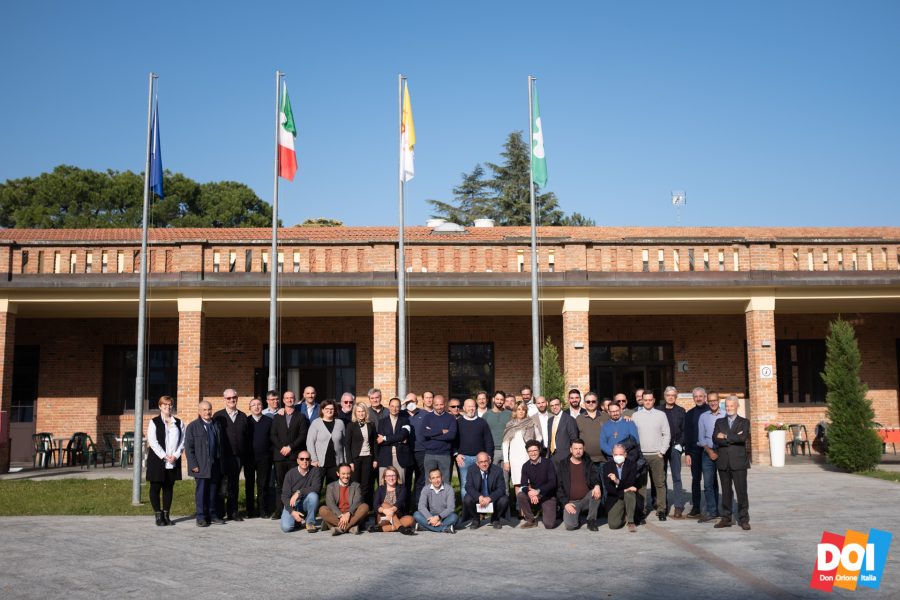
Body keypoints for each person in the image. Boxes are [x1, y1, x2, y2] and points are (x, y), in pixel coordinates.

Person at [712, 396, 751, 530]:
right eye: (726, 406)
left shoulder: (744, 422)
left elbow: (743, 438)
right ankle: (726, 518)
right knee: (726, 492)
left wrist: (726, 436)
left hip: (739, 462)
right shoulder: (719, 422)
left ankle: (744, 519)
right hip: (723, 462)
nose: (728, 408)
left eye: (731, 406)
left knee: (741, 492)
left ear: (737, 406)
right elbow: (715, 439)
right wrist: (734, 436)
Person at [146, 395, 185, 526]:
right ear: (160, 406)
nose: (168, 407)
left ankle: (167, 515)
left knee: (168, 488)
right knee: (155, 487)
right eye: (165, 405)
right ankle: (158, 515)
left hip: (173, 460)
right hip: (157, 460)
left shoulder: (179, 423)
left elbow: (183, 441)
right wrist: (164, 455)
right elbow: (152, 441)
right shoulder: (154, 422)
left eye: (170, 405)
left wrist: (176, 455)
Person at [632, 390, 671, 522]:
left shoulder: (661, 415)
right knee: (641, 485)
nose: (648, 402)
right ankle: (642, 510)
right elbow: (632, 436)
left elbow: (667, 434)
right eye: (645, 400)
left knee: (660, 484)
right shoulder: (636, 416)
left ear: (654, 400)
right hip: (641, 456)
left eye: (650, 400)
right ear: (642, 400)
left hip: (656, 455)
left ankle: (661, 510)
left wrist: (662, 452)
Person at [270, 390, 309, 519]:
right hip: (280, 456)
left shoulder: (301, 416)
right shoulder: (278, 416)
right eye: (287, 398)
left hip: (294, 456)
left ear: (295, 399)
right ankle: (279, 510)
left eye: (292, 398)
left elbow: (303, 435)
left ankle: (295, 510)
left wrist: (290, 447)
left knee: (294, 484)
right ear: (283, 400)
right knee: (280, 484)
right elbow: (273, 435)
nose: (289, 400)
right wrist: (282, 447)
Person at [185, 400, 224, 527]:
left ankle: (212, 514)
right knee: (201, 492)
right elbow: (189, 448)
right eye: (204, 410)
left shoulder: (216, 425)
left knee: (213, 492)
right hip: (201, 466)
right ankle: (201, 517)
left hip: (215, 465)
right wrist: (193, 465)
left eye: (209, 409)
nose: (207, 412)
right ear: (199, 411)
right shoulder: (193, 426)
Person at [213, 388, 248, 521]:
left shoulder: (243, 416)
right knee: (221, 484)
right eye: (229, 398)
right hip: (222, 457)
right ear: (224, 400)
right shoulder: (218, 416)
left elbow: (246, 436)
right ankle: (219, 513)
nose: (232, 400)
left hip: (237, 458)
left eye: (234, 397)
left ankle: (233, 512)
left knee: (234, 484)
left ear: (237, 398)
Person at [556, 439, 601, 531]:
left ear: (583, 449)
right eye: (575, 448)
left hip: (586, 499)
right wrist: (565, 503)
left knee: (596, 491)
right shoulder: (563, 464)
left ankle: (591, 520)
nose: (578, 451)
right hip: (571, 502)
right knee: (570, 526)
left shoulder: (588, 463)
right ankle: (577, 517)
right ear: (571, 449)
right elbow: (559, 487)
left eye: (580, 448)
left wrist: (597, 485)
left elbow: (595, 476)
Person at [454, 398, 494, 500]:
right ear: (463, 408)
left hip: (480, 460)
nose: (471, 408)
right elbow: (453, 440)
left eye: (473, 406)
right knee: (465, 485)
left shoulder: (482, 422)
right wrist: (456, 454)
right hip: (464, 459)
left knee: (481, 485)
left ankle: (481, 512)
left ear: (475, 408)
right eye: (468, 406)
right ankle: (467, 511)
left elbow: (488, 440)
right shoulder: (458, 423)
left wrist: (489, 456)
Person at [502, 401, 542, 496]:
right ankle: (519, 507)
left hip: (527, 457)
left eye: (523, 409)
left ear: (526, 411)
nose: (521, 411)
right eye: (519, 409)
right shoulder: (510, 424)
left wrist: (534, 447)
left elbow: (539, 437)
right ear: (515, 411)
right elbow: (505, 443)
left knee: (528, 482)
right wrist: (506, 461)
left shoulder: (531, 423)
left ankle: (528, 506)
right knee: (517, 483)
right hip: (514, 458)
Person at [697, 392, 726, 523]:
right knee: (709, 484)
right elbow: (701, 438)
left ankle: (725, 511)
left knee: (724, 483)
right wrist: (709, 451)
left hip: (724, 452)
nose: (713, 403)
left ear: (719, 400)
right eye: (710, 401)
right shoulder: (703, 417)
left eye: (715, 400)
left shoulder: (726, 415)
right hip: (708, 453)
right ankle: (712, 511)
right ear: (707, 402)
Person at [461, 452, 509, 529]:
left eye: (485, 461)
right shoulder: (471, 469)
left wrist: (490, 498)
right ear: (477, 463)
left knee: (504, 499)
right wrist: (479, 497)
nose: (484, 464)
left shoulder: (498, 470)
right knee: (467, 499)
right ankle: (476, 519)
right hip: (479, 499)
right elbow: (468, 486)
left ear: (489, 461)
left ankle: (495, 519)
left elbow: (501, 488)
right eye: (481, 462)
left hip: (492, 498)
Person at [319, 463, 369, 535]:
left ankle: (339, 528)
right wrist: (341, 515)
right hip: (336, 515)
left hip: (352, 516)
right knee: (322, 509)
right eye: (343, 474)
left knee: (365, 506)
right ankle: (350, 528)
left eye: (348, 474)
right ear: (338, 474)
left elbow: (357, 501)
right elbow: (330, 503)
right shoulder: (331, 486)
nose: (346, 476)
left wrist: (349, 513)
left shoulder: (356, 485)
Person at [517, 440, 557, 529]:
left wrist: (538, 491)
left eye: (535, 450)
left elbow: (552, 483)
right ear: (527, 452)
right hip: (534, 495)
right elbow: (523, 485)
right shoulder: (525, 466)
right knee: (520, 495)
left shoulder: (548, 463)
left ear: (539, 450)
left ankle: (550, 510)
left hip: (547, 495)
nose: (533, 453)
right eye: (530, 451)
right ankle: (530, 520)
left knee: (549, 525)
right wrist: (530, 492)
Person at [683, 386, 710, 518]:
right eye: (696, 396)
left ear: (705, 397)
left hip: (708, 451)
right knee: (696, 480)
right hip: (694, 451)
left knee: (710, 480)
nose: (698, 398)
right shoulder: (689, 414)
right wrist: (687, 453)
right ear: (693, 398)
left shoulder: (711, 411)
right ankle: (696, 507)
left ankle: (712, 506)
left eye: (701, 396)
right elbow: (687, 435)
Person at [307, 399, 347, 485]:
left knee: (333, 488)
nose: (329, 411)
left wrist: (344, 461)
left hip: (335, 463)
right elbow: (310, 442)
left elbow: (344, 444)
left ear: (335, 410)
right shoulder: (316, 423)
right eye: (327, 409)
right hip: (319, 463)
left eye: (332, 409)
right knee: (316, 487)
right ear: (322, 410)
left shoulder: (340, 423)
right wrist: (313, 459)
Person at [280, 451, 321, 533]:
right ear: (297, 460)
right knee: (286, 528)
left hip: (305, 502)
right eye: (302, 459)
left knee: (313, 496)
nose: (304, 461)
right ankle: (296, 521)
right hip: (292, 504)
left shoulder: (315, 471)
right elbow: (284, 496)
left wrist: (299, 492)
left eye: (307, 459)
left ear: (310, 461)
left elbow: (317, 487)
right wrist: (292, 512)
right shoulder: (290, 474)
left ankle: (310, 523)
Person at [245, 397, 273, 518]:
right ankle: (250, 511)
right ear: (250, 408)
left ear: (262, 407)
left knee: (263, 485)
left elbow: (272, 439)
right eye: (253, 405)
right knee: (249, 484)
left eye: (259, 404)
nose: (256, 407)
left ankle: (263, 510)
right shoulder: (246, 421)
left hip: (264, 458)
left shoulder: (269, 421)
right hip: (249, 458)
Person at [661, 386, 686, 518]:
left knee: (676, 477)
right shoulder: (658, 410)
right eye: (668, 395)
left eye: (673, 395)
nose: (670, 397)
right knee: (662, 478)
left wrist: (680, 445)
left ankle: (678, 506)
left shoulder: (681, 411)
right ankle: (663, 506)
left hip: (675, 447)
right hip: (661, 448)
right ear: (664, 396)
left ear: (676, 397)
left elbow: (684, 431)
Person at [422, 394, 457, 485]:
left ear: (444, 404)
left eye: (441, 404)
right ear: (433, 405)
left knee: (445, 481)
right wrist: (441, 431)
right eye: (436, 405)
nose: (439, 407)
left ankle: (445, 499)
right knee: (429, 481)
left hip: (444, 454)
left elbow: (451, 435)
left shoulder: (451, 418)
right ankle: (430, 499)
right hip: (430, 454)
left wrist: (432, 434)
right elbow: (425, 433)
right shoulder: (427, 417)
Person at [347, 401, 378, 508]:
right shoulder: (351, 426)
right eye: (358, 411)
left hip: (368, 458)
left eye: (363, 411)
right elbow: (347, 445)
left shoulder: (371, 425)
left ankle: (365, 507)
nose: (361, 413)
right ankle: (354, 506)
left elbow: (374, 443)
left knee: (366, 484)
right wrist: (350, 462)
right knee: (355, 484)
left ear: (366, 412)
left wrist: (375, 459)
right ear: (355, 413)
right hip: (356, 458)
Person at [377, 397, 413, 485]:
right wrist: (399, 440)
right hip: (385, 457)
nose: (394, 409)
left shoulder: (405, 421)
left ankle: (399, 499)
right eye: (392, 406)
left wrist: (385, 438)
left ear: (400, 407)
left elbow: (402, 436)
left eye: (397, 406)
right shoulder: (382, 422)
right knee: (383, 484)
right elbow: (380, 441)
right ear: (389, 407)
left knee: (400, 484)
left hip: (400, 457)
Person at [604, 444, 638, 532]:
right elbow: (608, 488)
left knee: (630, 493)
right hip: (615, 497)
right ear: (612, 455)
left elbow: (630, 482)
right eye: (616, 455)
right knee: (613, 525)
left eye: (621, 454)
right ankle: (623, 516)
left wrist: (617, 481)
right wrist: (624, 490)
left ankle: (631, 521)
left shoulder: (632, 465)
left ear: (625, 455)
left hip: (628, 495)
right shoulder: (607, 466)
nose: (618, 457)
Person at [413, 467, 458, 533]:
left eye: (438, 477)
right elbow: (421, 506)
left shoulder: (449, 489)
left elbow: (451, 508)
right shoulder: (426, 489)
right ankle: (444, 529)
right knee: (416, 514)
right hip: (431, 515)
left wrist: (438, 517)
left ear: (441, 477)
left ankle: (425, 527)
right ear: (430, 480)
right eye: (433, 478)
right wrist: (431, 518)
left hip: (444, 516)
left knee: (454, 517)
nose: (436, 480)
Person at [372, 466, 416, 534]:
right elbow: (375, 505)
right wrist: (385, 510)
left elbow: (399, 503)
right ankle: (401, 528)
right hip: (384, 518)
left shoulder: (402, 488)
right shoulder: (380, 489)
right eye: (388, 476)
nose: (391, 478)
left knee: (411, 519)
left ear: (397, 477)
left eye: (393, 475)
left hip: (398, 516)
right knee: (384, 504)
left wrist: (391, 512)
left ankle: (383, 529)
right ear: (385, 478)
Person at [482, 390, 511, 491]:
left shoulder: (509, 414)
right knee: (492, 478)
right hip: (492, 450)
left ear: (504, 401)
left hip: (507, 450)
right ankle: (493, 504)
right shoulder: (486, 415)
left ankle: (505, 504)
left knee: (505, 479)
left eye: (501, 400)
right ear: (493, 399)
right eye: (497, 399)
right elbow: (483, 434)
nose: (499, 401)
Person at [547, 397, 580, 469]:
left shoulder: (569, 419)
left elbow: (574, 439)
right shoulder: (550, 421)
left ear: (561, 405)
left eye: (556, 405)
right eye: (552, 406)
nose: (554, 407)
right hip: (552, 456)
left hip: (566, 456)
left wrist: (572, 455)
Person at [577, 393, 606, 466]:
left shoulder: (606, 417)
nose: (591, 403)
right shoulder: (579, 419)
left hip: (604, 459)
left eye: (593, 401)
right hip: (586, 460)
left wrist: (627, 417)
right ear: (584, 403)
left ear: (597, 402)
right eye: (588, 401)